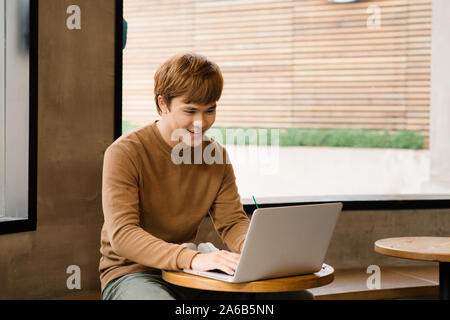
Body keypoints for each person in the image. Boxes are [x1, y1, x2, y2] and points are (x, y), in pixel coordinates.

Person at [99, 52, 313, 300]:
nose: (201, 122)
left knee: (297, 299)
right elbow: (123, 235)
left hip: (189, 273)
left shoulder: (215, 156)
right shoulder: (125, 152)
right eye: (190, 111)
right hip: (132, 274)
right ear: (162, 104)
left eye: (210, 110)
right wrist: (194, 258)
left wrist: (255, 251)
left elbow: (232, 222)